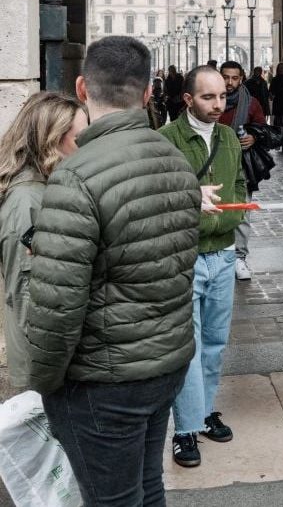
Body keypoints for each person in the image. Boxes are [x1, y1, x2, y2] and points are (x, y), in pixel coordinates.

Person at [23, 36, 201, 505]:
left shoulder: (76, 176)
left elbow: (56, 307)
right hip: (166, 362)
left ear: (82, 88)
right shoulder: (177, 163)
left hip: (104, 381)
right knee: (147, 487)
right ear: (148, 94)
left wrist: (42, 381)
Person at [160, 65, 247, 468]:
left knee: (215, 342)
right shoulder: (165, 141)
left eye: (223, 96)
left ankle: (205, 408)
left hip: (224, 253)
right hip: (186, 256)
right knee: (188, 347)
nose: (219, 104)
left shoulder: (229, 137)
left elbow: (240, 186)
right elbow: (156, 198)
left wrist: (230, 220)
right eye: (208, 97)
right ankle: (184, 429)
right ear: (188, 99)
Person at [0, 93, 86, 394]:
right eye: (80, 138)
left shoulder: (47, 185)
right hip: (44, 368)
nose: (86, 146)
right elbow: (27, 294)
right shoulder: (26, 201)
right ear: (53, 140)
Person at [218, 60, 267, 281]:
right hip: (213, 163)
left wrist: (254, 137)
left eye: (234, 78)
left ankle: (239, 256)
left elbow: (264, 130)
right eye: (226, 77)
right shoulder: (210, 99)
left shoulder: (252, 104)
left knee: (241, 211)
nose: (229, 82)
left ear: (241, 78)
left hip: (241, 165)